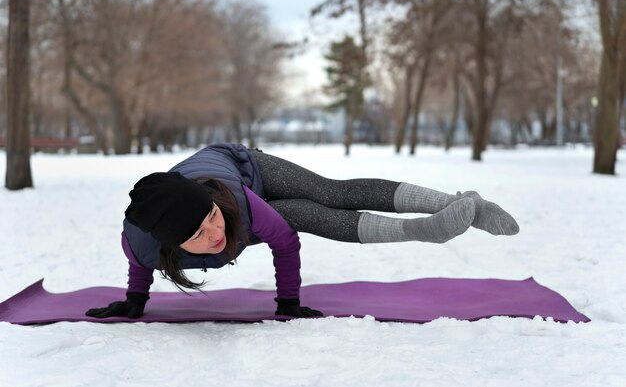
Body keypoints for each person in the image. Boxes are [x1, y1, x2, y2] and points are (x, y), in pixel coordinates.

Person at [86, 143, 519, 319]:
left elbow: (284, 242)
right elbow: (140, 264)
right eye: (199, 234)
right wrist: (134, 301)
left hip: (246, 170)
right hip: (217, 209)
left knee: (325, 199)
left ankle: (447, 213)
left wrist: (288, 303)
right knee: (310, 214)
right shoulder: (141, 243)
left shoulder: (232, 207)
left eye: (212, 219)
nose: (214, 233)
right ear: (170, 245)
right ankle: (438, 222)